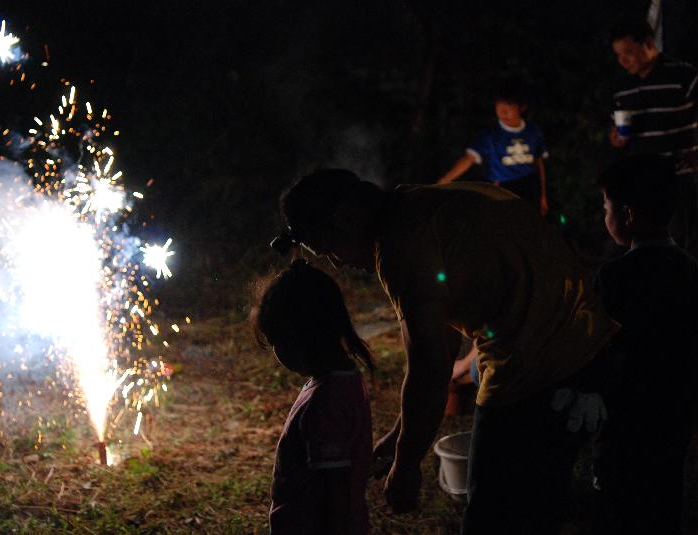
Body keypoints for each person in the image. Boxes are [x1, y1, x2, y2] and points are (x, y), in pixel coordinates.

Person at [272, 169, 619, 534]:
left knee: (491, 517)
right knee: (537, 505)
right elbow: (441, 338)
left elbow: (428, 368)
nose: (338, 263)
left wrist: (406, 468)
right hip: (590, 345)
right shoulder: (423, 203)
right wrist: (400, 434)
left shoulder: (400, 244)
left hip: (537, 368)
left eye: (330, 251)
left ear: (345, 218)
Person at [593, 155, 698, 535]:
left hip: (624, 417)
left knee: (618, 506)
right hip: (675, 413)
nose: (604, 216)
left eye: (605, 207)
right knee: (664, 499)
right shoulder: (690, 269)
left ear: (628, 214)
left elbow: (600, 347)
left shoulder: (615, 275)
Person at [252, 259, 374, 535]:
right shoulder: (345, 380)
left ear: (297, 338)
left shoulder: (325, 403)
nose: (276, 353)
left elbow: (334, 489)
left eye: (275, 342)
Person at [609, 18, 698, 255]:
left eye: (628, 52)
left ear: (648, 43)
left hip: (677, 179)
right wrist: (616, 139)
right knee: (643, 250)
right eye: (618, 55)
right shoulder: (623, 88)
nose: (623, 60)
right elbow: (615, 133)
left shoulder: (684, 76)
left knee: (680, 247)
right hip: (639, 182)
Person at [437, 82, 550, 216]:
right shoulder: (490, 135)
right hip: (503, 190)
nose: (502, 110)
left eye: (508, 105)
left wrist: (543, 196)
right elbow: (468, 159)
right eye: (499, 104)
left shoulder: (533, 132)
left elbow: (539, 164)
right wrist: (444, 181)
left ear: (522, 107)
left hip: (530, 188)